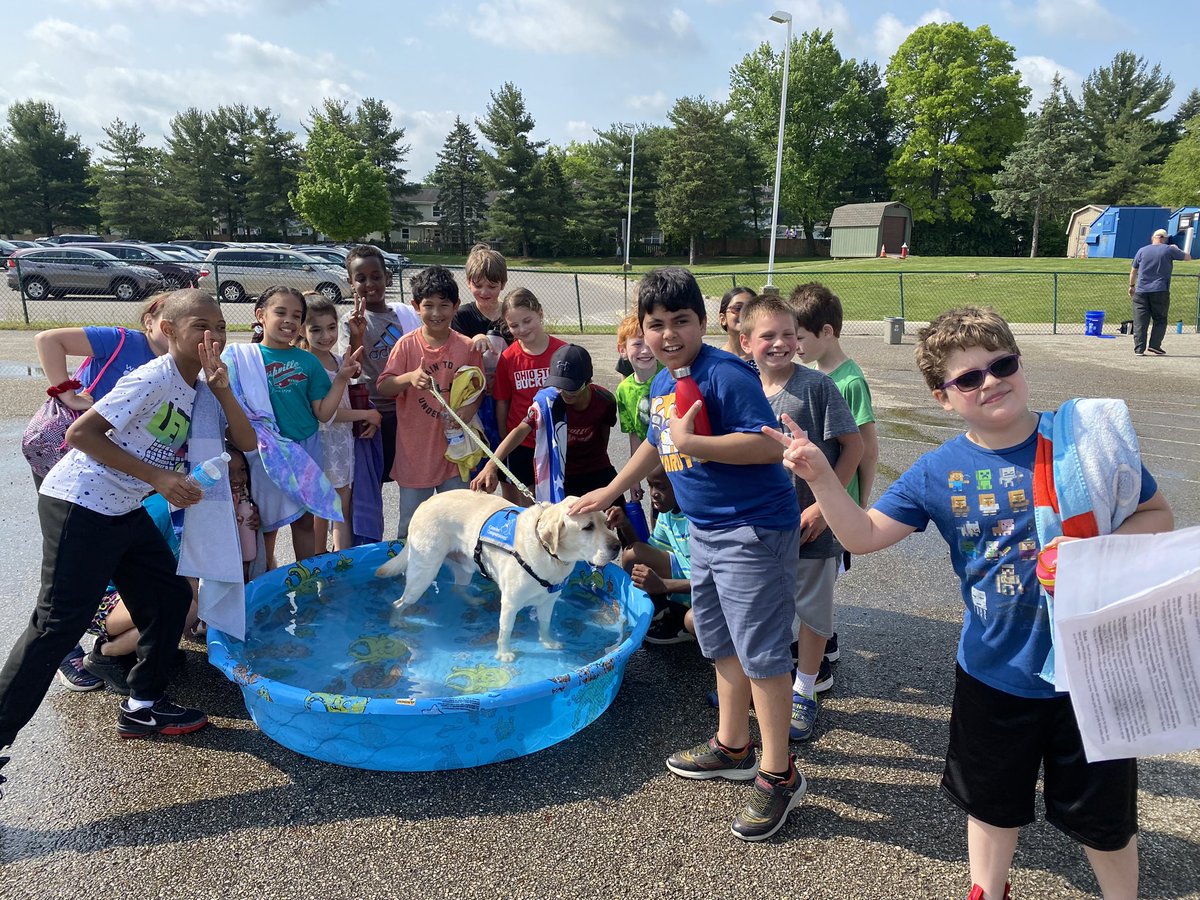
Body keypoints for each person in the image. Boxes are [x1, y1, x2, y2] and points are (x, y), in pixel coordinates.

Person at [766, 306, 1173, 899]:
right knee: (989, 803)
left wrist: (1097, 552)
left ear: (1019, 363)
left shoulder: (1085, 443)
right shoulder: (939, 470)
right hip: (993, 672)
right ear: (942, 397)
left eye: (1000, 364)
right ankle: (988, 889)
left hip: (1091, 671)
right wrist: (824, 478)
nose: (990, 382)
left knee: (1104, 817)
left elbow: (1157, 514)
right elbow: (863, 536)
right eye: (968, 378)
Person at [573, 267, 805, 842]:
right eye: (657, 324)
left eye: (681, 321)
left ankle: (780, 775)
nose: (669, 334)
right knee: (720, 641)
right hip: (707, 530)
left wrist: (695, 443)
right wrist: (607, 491)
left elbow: (764, 445)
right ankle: (734, 744)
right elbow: (658, 442)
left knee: (764, 656)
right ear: (642, 330)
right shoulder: (661, 381)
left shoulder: (724, 374)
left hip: (753, 531)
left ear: (703, 323)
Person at [0, 291, 257, 791]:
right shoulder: (153, 377)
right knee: (56, 625)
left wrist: (223, 390)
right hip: (80, 501)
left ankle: (143, 706)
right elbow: (81, 434)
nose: (215, 336)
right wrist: (159, 479)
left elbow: (246, 443)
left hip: (122, 507)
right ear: (168, 329)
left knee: (168, 597)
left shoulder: (202, 386)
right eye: (201, 325)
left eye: (222, 325)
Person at [33, 292, 174, 690]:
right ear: (152, 321)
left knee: (127, 562)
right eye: (168, 318)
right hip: (70, 462)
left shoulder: (176, 368)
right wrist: (65, 391)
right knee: (67, 575)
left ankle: (129, 637)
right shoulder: (121, 340)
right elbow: (48, 339)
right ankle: (64, 651)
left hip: (122, 476)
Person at [739, 294, 862, 741]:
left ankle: (805, 690)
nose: (780, 343)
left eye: (788, 334)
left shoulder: (817, 387)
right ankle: (766, 683)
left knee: (812, 610)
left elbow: (854, 447)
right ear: (745, 340)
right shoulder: (742, 388)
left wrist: (823, 507)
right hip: (760, 525)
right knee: (765, 607)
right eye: (768, 335)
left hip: (812, 525)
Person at [790, 281, 881, 683]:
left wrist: (857, 505)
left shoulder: (848, 381)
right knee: (820, 580)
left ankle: (818, 660)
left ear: (826, 332)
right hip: (820, 499)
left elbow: (865, 447)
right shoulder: (814, 375)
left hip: (835, 503)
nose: (794, 346)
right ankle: (828, 641)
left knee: (822, 577)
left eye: (801, 337)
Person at [237, 286, 362, 564]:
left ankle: (308, 581)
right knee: (267, 525)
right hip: (265, 453)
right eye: (280, 312)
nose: (289, 320)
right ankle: (266, 576)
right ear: (261, 315)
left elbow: (322, 413)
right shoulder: (244, 359)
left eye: (296, 315)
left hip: (307, 450)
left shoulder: (308, 362)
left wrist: (341, 378)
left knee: (305, 522)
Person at [377, 265, 483, 539]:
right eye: (428, 305)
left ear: (456, 306)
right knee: (411, 528)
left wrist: (466, 411)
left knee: (458, 526)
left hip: (455, 455)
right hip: (414, 456)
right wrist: (409, 377)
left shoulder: (467, 347)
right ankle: (409, 577)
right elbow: (384, 386)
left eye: (444, 305)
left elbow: (478, 389)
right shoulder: (406, 345)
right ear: (415, 306)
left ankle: (455, 581)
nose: (436, 313)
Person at [470, 344, 617, 499]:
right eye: (559, 387)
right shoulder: (548, 401)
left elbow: (603, 436)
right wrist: (492, 464)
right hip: (563, 472)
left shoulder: (605, 400)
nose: (565, 393)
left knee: (620, 516)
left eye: (571, 388)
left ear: (588, 382)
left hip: (596, 466)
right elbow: (520, 430)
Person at [301, 294, 381, 553]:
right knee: (320, 509)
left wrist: (358, 335)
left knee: (342, 505)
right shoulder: (307, 365)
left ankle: (341, 560)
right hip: (320, 444)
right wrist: (367, 415)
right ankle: (317, 558)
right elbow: (325, 414)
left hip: (343, 443)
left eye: (332, 327)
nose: (326, 335)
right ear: (303, 330)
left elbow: (354, 369)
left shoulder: (336, 359)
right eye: (316, 329)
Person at [338, 245, 420, 483]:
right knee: (372, 481)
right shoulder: (349, 322)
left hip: (405, 411)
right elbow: (354, 369)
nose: (370, 284)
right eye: (361, 278)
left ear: (387, 277)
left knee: (409, 477)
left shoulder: (404, 316)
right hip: (372, 410)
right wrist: (357, 334)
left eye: (376, 276)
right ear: (351, 282)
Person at [491, 288, 566, 506]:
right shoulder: (508, 358)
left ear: (540, 314)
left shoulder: (561, 352)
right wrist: (506, 441)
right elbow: (503, 402)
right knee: (528, 508)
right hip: (522, 444)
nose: (522, 329)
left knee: (555, 504)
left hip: (554, 441)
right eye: (514, 326)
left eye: (527, 320)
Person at [607, 465, 694, 645]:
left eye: (662, 487)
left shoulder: (695, 521)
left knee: (692, 620)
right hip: (684, 579)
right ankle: (666, 609)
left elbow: (711, 583)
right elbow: (645, 551)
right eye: (651, 486)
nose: (654, 493)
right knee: (632, 555)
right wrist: (625, 525)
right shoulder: (668, 513)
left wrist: (663, 585)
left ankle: (681, 622)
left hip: (703, 592)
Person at [452, 242, 512, 451]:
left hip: (507, 397)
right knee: (476, 458)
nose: (484, 292)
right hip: (474, 399)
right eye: (478, 285)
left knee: (507, 460)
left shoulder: (511, 315)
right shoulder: (462, 316)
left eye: (492, 286)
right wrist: (472, 341)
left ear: (503, 284)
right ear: (468, 283)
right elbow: (453, 353)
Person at [1129, 227, 1190, 357]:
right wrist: (1176, 248)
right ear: (1165, 239)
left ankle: (1139, 349)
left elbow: (1134, 270)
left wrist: (1131, 285)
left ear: (1153, 238)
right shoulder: (1169, 249)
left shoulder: (1142, 250)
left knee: (1140, 320)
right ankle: (1155, 346)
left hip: (1141, 290)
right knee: (1160, 319)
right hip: (1160, 289)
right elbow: (1188, 257)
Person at [718, 285, 757, 367]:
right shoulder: (715, 361)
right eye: (738, 308)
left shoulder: (766, 359)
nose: (744, 313)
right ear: (723, 319)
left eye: (750, 309)